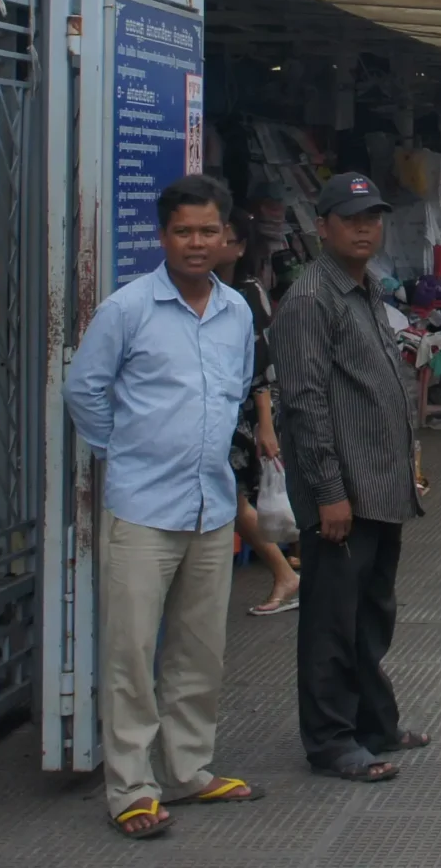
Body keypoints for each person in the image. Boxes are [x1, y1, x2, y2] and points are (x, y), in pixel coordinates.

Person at [63, 174, 264, 838]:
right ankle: (131, 789)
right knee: (130, 652)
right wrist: (124, 451)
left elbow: (233, 391)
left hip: (209, 506)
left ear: (225, 236)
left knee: (199, 651)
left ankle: (189, 771)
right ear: (163, 236)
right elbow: (84, 389)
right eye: (184, 231)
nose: (197, 243)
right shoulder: (129, 309)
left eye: (209, 230)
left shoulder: (236, 311)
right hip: (143, 509)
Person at [272, 171, 430, 782]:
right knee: (332, 625)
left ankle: (374, 723)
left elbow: (377, 390)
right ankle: (332, 741)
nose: (365, 228)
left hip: (380, 490)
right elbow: (304, 404)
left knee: (371, 616)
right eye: (351, 218)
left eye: (373, 217)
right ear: (323, 226)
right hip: (344, 499)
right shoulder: (312, 299)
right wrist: (330, 493)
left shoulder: (363, 291)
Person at [222, 221, 299, 616]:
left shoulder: (245, 294)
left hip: (247, 412)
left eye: (223, 237)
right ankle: (286, 571)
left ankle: (285, 571)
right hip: (229, 411)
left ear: (238, 248)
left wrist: (265, 424)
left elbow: (260, 368)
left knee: (233, 499)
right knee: (231, 499)